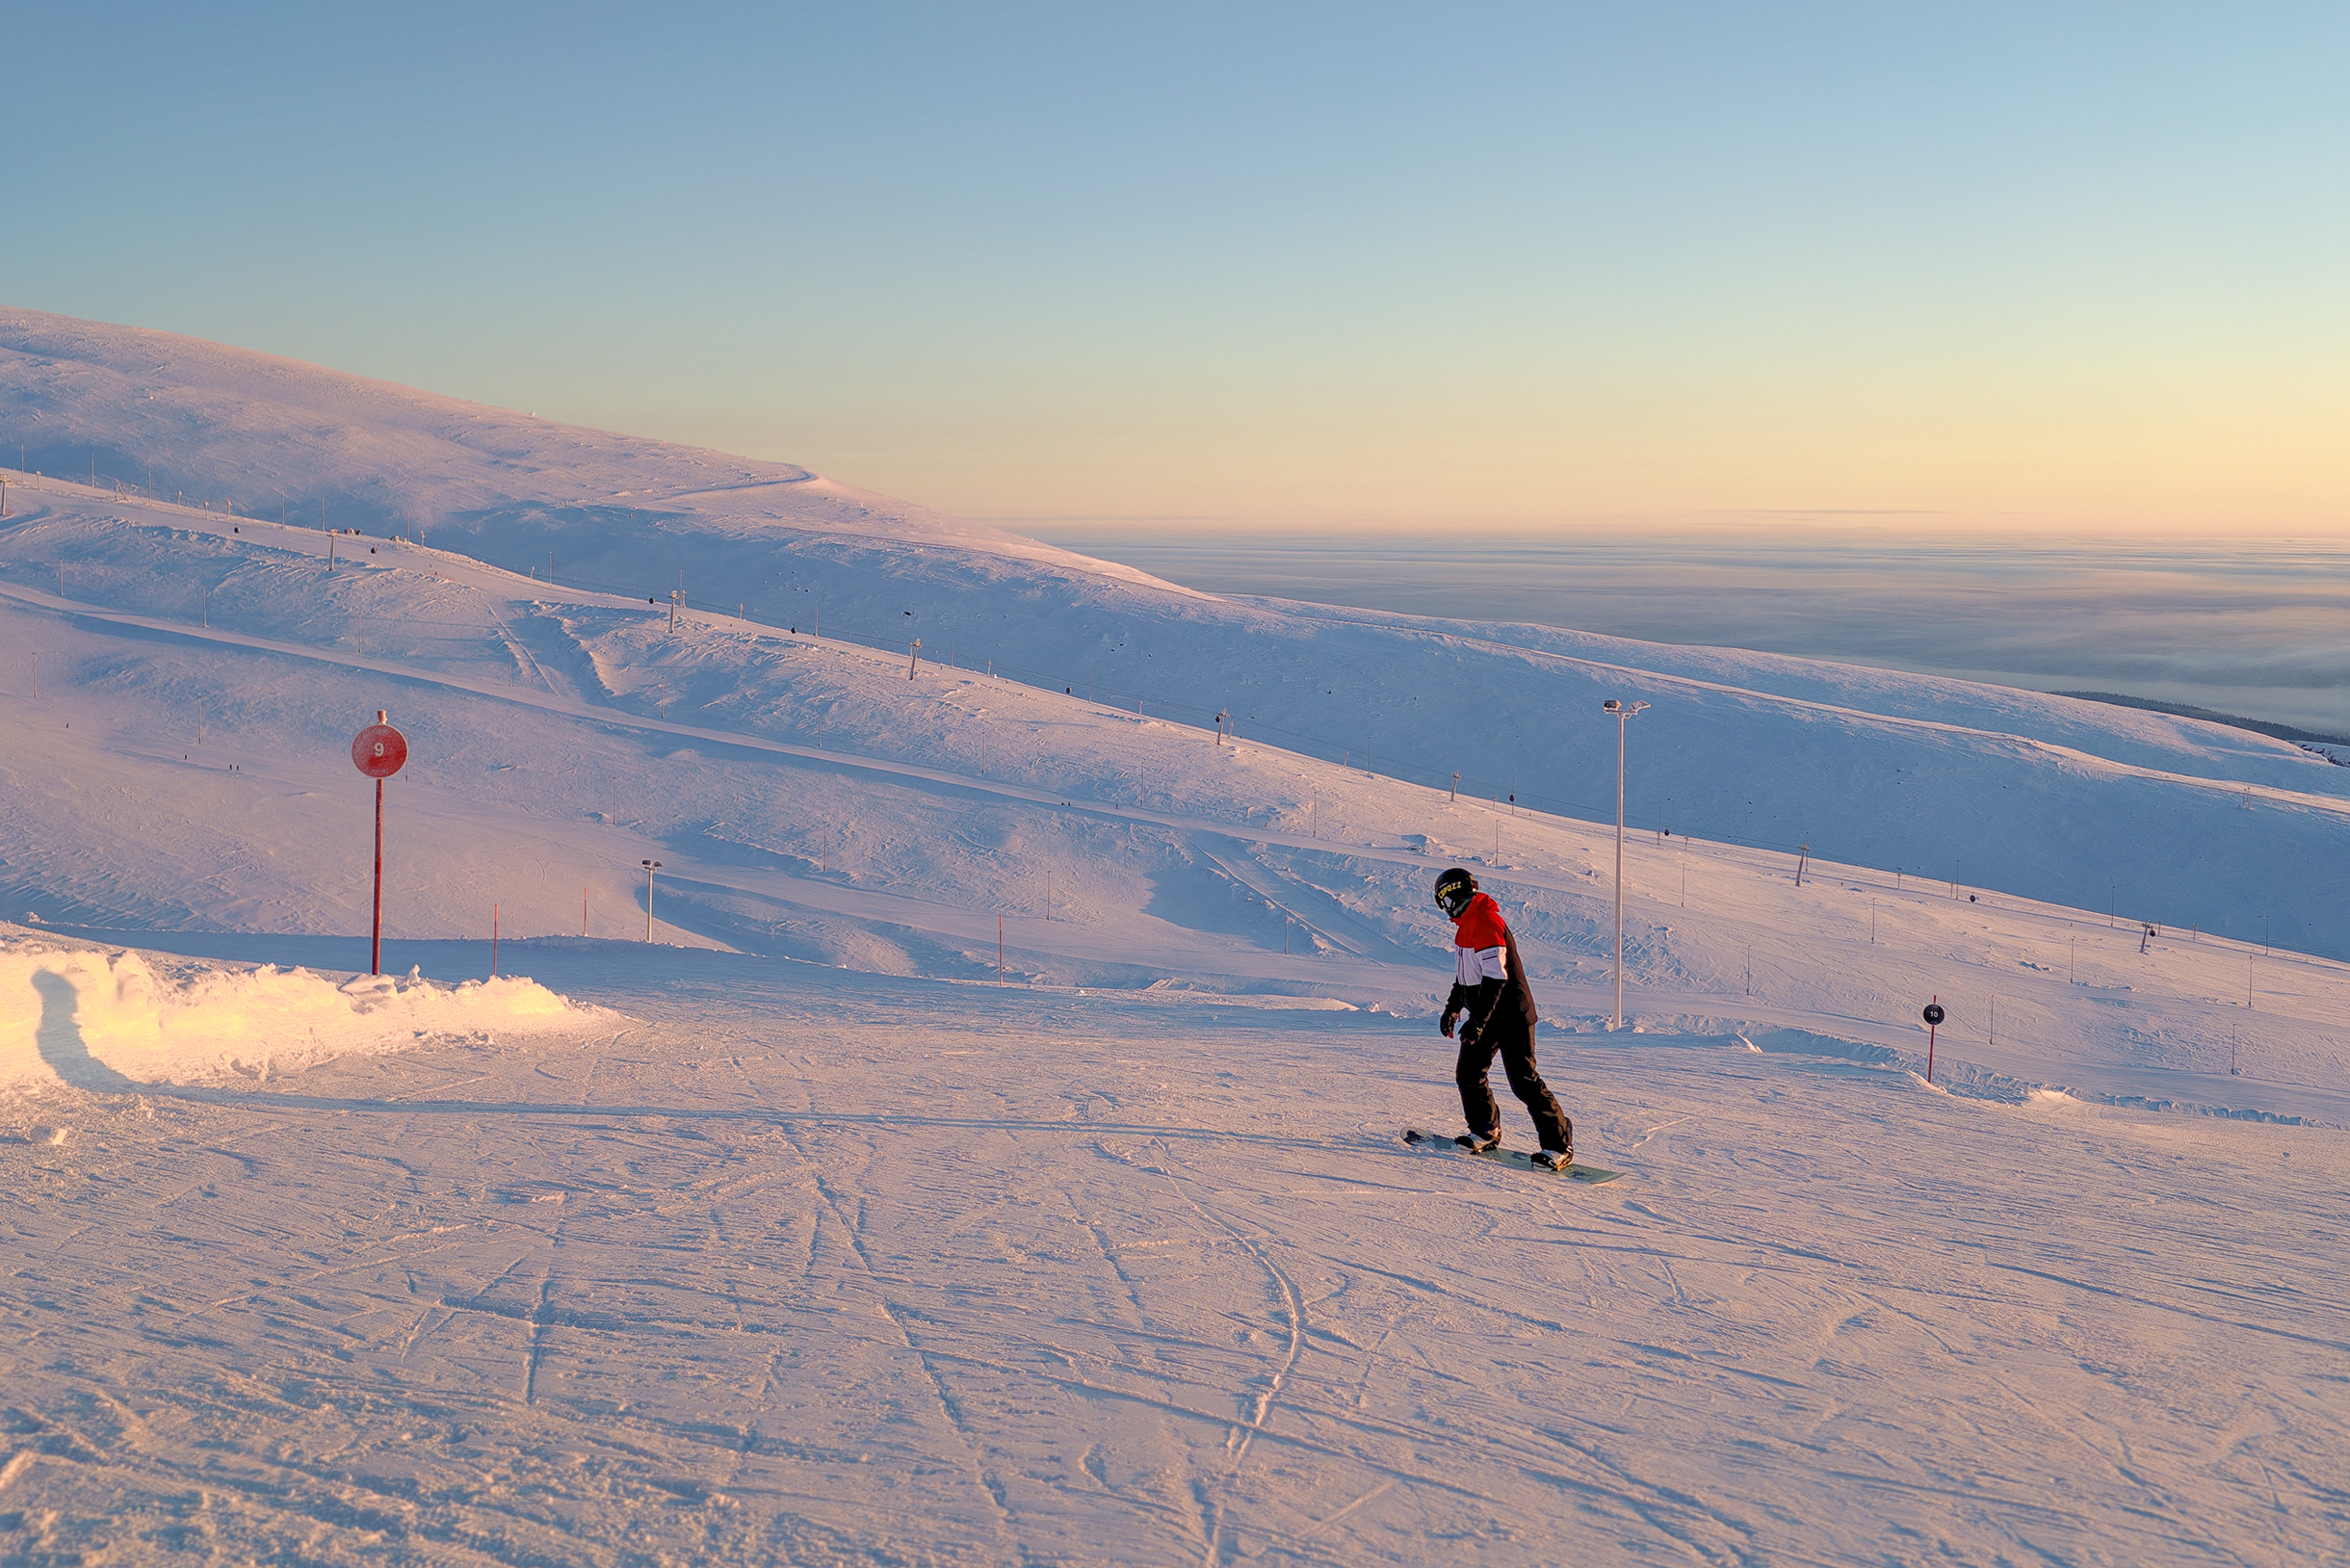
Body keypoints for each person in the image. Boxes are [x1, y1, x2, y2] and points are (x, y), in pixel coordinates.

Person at [1434, 867, 1574, 1169]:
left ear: (1450, 896)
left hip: (1511, 1015)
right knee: (1469, 1074)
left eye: (1441, 901)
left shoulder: (1486, 921)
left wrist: (1479, 1019)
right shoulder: (1465, 925)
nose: (1443, 909)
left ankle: (1558, 1147)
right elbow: (1466, 978)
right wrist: (1453, 1008)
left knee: (1524, 1082)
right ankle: (1486, 1131)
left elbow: (1496, 979)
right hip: (1485, 1015)